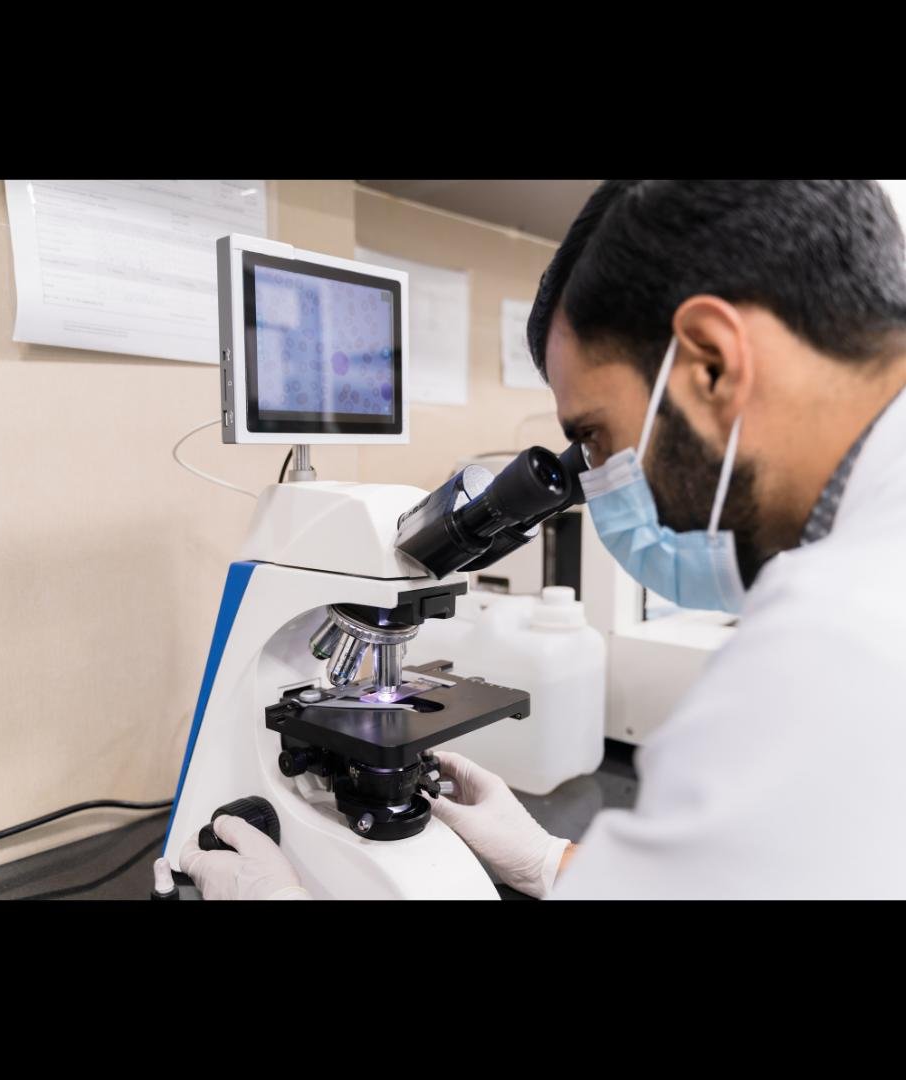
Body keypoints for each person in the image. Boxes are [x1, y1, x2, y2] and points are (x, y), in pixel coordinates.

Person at [181, 180, 906, 899]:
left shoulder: (832, 640)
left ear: (711, 361)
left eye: (595, 436)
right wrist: (548, 862)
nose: (596, 476)